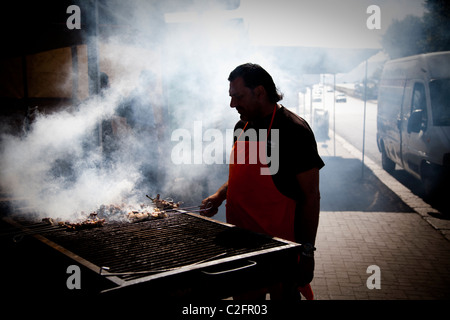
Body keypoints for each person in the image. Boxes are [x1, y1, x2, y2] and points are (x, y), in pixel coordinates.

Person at [201, 63, 324, 300]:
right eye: (231, 97)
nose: (232, 104)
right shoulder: (242, 126)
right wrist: (219, 195)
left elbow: (311, 196)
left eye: (238, 96)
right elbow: (244, 176)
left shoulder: (293, 130)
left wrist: (307, 252)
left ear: (259, 92)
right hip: (240, 250)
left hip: (280, 252)